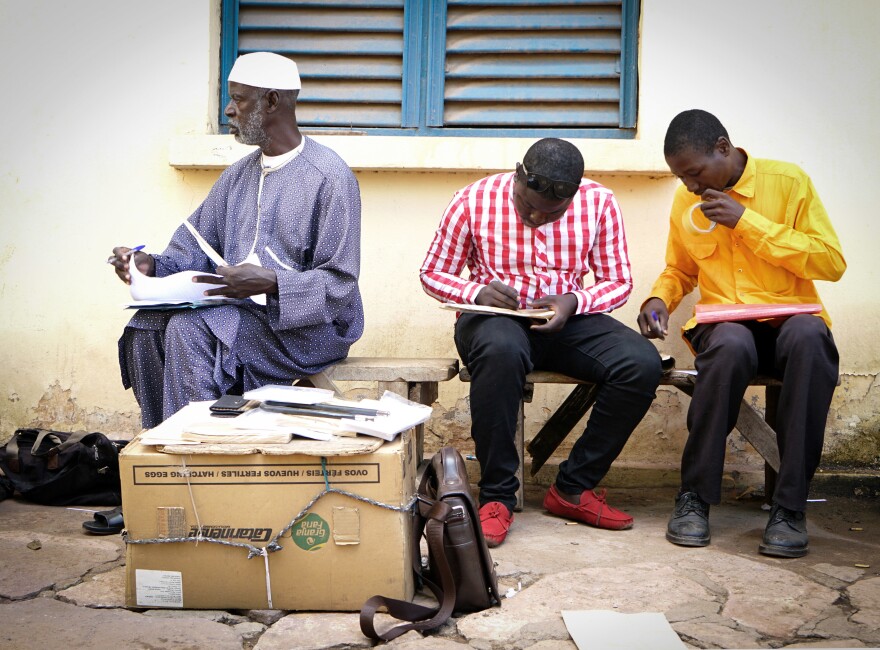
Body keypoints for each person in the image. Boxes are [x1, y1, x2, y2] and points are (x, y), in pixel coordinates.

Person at [420, 138, 662, 547]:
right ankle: (497, 496)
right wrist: (476, 292)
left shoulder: (599, 202)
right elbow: (432, 273)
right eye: (525, 204)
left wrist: (574, 300)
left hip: (567, 320)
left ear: (574, 195)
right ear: (517, 175)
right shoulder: (473, 199)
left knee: (641, 362)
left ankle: (572, 487)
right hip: (493, 321)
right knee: (500, 350)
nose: (534, 216)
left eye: (551, 213)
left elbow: (618, 282)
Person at [109, 52, 364, 430]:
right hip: (239, 317)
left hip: (309, 332)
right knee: (145, 327)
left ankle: (200, 454)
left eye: (239, 99)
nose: (229, 110)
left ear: (272, 101)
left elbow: (340, 285)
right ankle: (163, 440)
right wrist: (150, 267)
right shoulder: (237, 176)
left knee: (190, 329)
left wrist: (272, 283)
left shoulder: (329, 177)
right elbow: (191, 249)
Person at [638, 109, 845, 558]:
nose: (690, 186)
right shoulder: (685, 200)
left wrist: (746, 221)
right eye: (680, 177)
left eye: (693, 172)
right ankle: (694, 499)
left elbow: (831, 262)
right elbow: (680, 269)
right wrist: (659, 299)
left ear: (723, 148)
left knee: (810, 339)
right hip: (728, 327)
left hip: (790, 324)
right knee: (730, 345)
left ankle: (789, 508)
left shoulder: (788, 183)